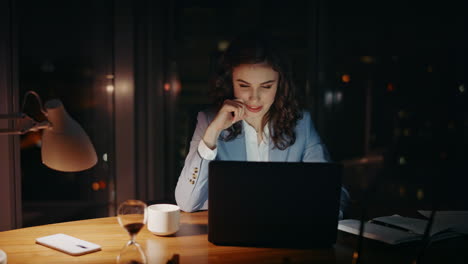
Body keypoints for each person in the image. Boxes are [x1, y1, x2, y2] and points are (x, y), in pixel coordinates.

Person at [175, 33, 349, 219]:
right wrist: (212, 134)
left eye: (266, 86)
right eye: (244, 86)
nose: (254, 98)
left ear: (280, 85)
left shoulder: (301, 124)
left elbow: (335, 192)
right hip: (231, 236)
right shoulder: (209, 121)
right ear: (230, 83)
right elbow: (187, 202)